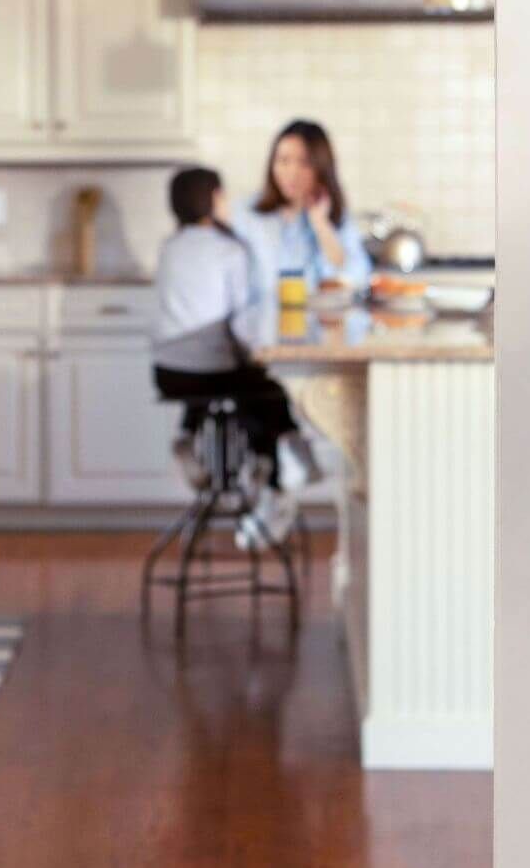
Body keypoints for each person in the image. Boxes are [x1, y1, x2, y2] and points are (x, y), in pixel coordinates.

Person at [152, 166, 317, 549]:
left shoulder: (168, 248)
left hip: (167, 373)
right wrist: (258, 352)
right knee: (263, 387)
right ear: (212, 200)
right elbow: (243, 320)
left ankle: (189, 436)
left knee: (218, 375)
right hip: (211, 372)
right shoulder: (230, 250)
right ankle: (278, 471)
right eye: (223, 196)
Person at [229, 120, 374, 299]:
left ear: (321, 168)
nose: (292, 172)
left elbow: (358, 277)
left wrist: (321, 224)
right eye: (283, 161)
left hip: (318, 323)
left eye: (304, 163)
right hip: (260, 323)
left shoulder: (336, 218)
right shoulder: (246, 212)